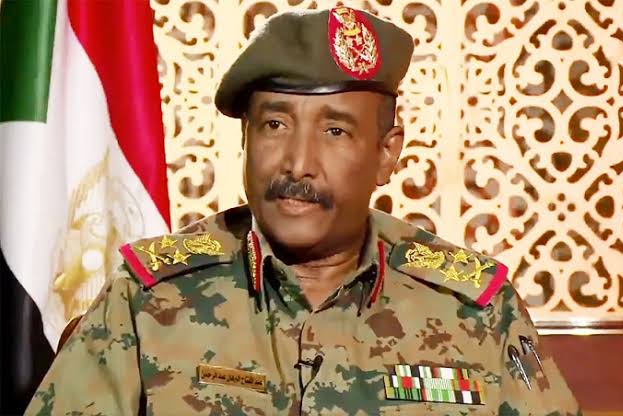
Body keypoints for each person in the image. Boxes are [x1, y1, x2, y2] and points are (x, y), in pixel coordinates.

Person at [25, 7, 581, 415]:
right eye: (275, 124)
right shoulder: (149, 300)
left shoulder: (475, 311)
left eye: (335, 131)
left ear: (386, 154)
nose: (297, 163)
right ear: (246, 138)